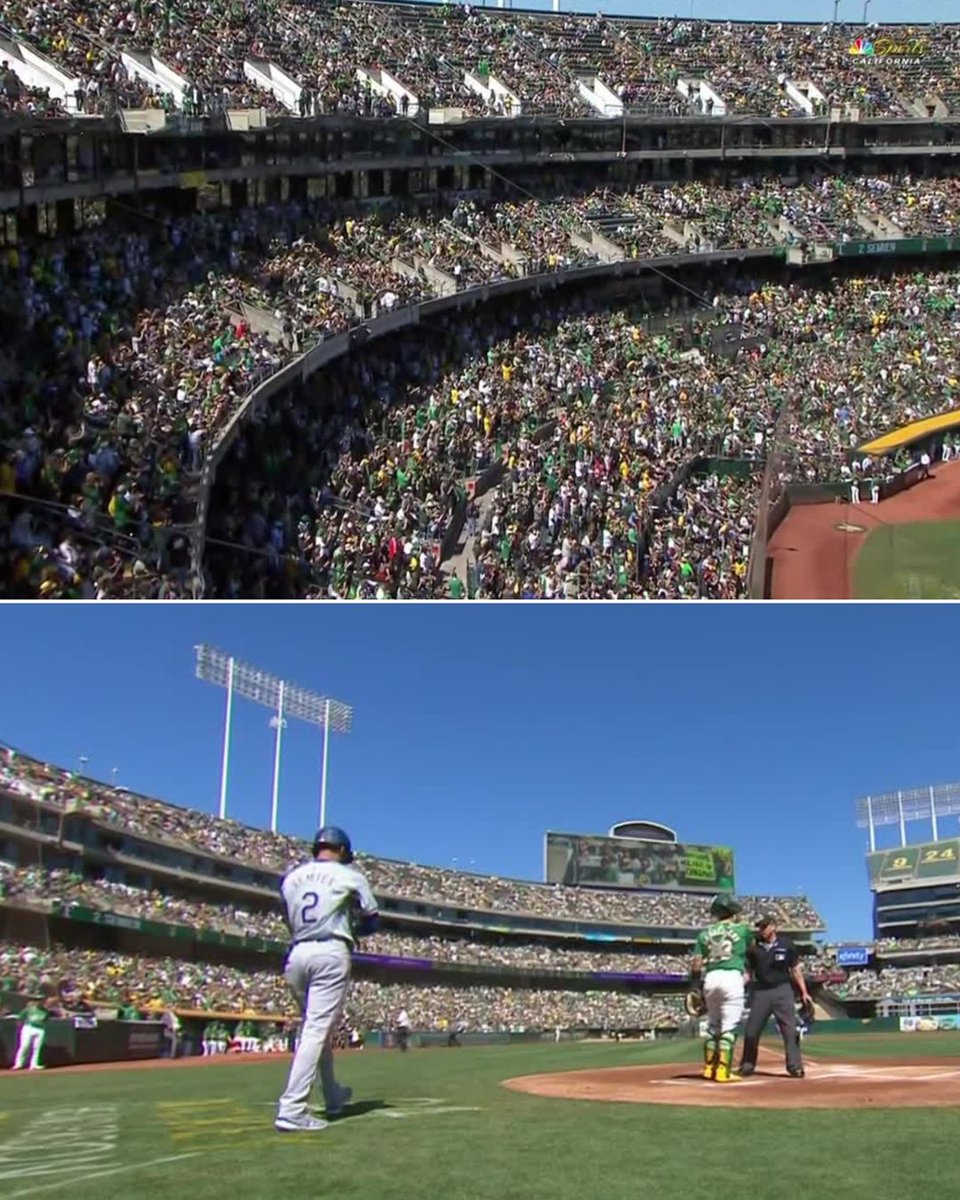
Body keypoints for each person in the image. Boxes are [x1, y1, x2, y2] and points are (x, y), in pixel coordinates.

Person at [274, 825, 379, 1133]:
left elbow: (285, 915)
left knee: (316, 1028)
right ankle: (292, 1108)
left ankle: (332, 1093)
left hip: (296, 954)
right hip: (330, 950)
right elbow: (372, 919)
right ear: (343, 850)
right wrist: (353, 926)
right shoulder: (350, 875)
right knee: (316, 1030)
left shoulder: (292, 877)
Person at [738, 914, 812, 1079]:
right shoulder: (753, 949)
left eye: (764, 926)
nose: (762, 930)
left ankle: (795, 1067)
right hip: (760, 991)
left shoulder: (787, 945)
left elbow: (795, 970)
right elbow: (748, 974)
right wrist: (736, 987)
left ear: (774, 926)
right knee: (751, 1031)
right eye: (760, 927)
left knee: (790, 1031)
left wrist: (804, 992)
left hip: (783, 990)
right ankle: (747, 1065)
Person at [690, 896, 755, 1083]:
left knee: (713, 1026)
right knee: (729, 1027)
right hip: (732, 977)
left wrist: (695, 987)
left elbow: (696, 963)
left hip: (710, 978)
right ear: (733, 913)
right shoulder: (742, 929)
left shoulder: (704, 933)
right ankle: (722, 1071)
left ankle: (709, 1067)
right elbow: (752, 949)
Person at [12, 995, 50, 1071]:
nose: (38, 1002)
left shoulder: (46, 1011)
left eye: (40, 1000)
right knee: (24, 1046)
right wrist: (21, 1027)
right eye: (37, 1000)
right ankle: (19, 1064)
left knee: (37, 1048)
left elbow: (45, 1020)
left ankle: (34, 1064)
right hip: (28, 1027)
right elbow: (20, 1018)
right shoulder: (28, 1009)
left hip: (40, 1029)